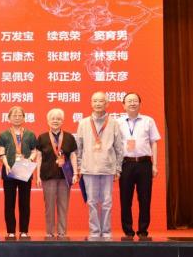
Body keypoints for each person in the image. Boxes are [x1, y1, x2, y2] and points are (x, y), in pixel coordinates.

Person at [76, 91, 123, 240]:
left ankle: (106, 231)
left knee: (107, 202)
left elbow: (119, 148)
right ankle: (95, 231)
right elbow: (79, 147)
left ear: (107, 104)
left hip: (108, 168)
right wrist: (79, 167)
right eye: (95, 101)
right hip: (89, 168)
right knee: (91, 202)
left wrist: (118, 168)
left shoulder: (114, 123)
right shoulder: (83, 123)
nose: (97, 104)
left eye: (101, 101)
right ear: (91, 103)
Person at [118, 92, 160, 240]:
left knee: (145, 198)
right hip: (126, 164)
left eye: (135, 101)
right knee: (125, 199)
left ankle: (143, 231)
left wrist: (155, 165)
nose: (132, 103)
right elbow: (115, 145)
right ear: (123, 105)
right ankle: (128, 231)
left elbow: (154, 143)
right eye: (129, 101)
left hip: (144, 164)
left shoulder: (148, 121)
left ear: (140, 104)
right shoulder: (118, 122)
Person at [36, 108, 78, 239]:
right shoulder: (42, 137)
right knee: (49, 206)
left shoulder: (69, 137)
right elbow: (39, 157)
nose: (55, 121)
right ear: (48, 121)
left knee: (63, 206)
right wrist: (37, 176)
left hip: (65, 176)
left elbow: (73, 156)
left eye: (58, 119)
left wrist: (75, 173)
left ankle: (62, 233)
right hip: (48, 176)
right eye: (53, 118)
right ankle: (49, 233)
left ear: (62, 121)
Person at [0, 106, 37, 239]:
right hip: (9, 171)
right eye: (14, 115)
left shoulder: (30, 134)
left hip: (25, 170)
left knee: (25, 202)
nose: (17, 118)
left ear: (24, 118)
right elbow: (1, 152)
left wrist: (30, 159)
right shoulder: (4, 135)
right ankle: (11, 231)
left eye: (20, 115)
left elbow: (34, 151)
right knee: (9, 202)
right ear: (9, 118)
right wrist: (6, 164)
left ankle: (24, 230)